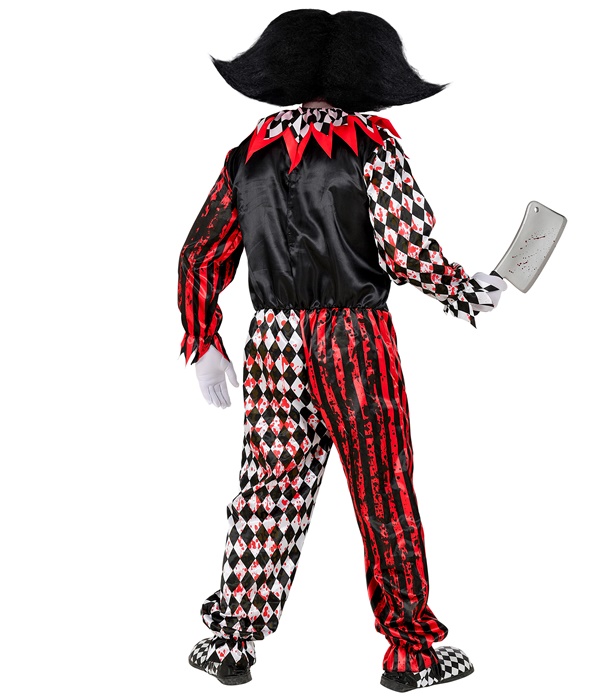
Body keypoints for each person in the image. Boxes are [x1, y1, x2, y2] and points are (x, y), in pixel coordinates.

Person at [177, 9, 507, 692]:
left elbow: (201, 251)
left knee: (269, 491)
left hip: (272, 341)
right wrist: (466, 291)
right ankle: (411, 652)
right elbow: (409, 251)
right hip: (353, 341)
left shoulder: (250, 152)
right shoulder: (371, 145)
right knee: (382, 487)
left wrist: (204, 340)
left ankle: (231, 642)